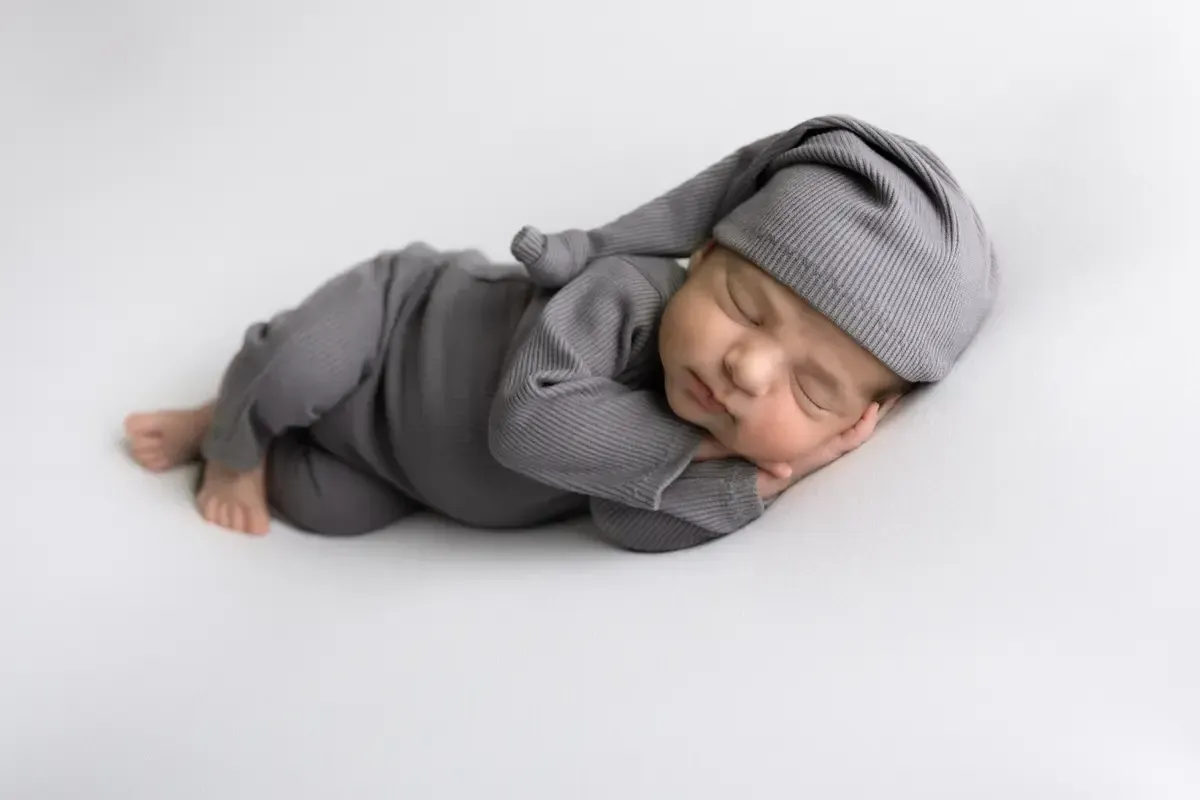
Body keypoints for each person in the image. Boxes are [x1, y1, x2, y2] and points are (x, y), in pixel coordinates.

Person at [125, 114, 998, 553]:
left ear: (852, 422)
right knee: (298, 368)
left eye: (810, 390)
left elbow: (628, 524)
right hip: (395, 322)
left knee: (326, 512)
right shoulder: (625, 296)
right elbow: (527, 424)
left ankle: (250, 436)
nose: (747, 365)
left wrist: (770, 477)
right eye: (745, 305)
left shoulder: (724, 439)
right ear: (702, 251)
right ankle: (229, 427)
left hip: (393, 465)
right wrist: (706, 451)